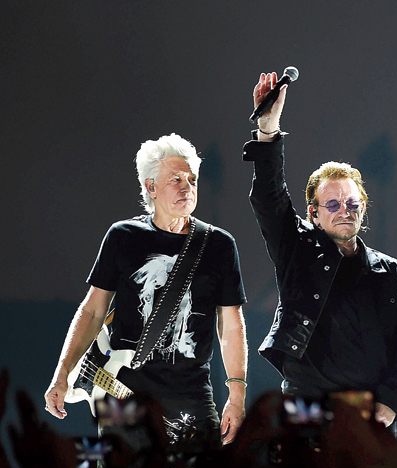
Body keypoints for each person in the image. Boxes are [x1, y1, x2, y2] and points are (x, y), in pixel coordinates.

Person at [44, 134, 249, 445]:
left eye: (191, 179)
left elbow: (231, 327)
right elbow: (92, 310)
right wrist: (61, 375)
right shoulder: (123, 236)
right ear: (151, 187)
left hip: (191, 398)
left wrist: (237, 396)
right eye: (175, 179)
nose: (187, 187)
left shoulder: (219, 245)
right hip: (122, 397)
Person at [242, 72, 397, 428]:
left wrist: (390, 403)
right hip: (307, 407)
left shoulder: (394, 274)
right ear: (313, 213)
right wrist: (268, 131)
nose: (345, 211)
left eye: (353, 204)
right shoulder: (297, 250)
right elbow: (269, 197)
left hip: (369, 414)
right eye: (334, 204)